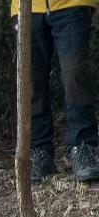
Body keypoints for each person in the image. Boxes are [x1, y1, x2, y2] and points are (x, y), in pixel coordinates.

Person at [13, 0, 99, 182]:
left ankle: (82, 148)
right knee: (30, 80)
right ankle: (39, 151)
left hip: (72, 3)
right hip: (26, 7)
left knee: (75, 74)